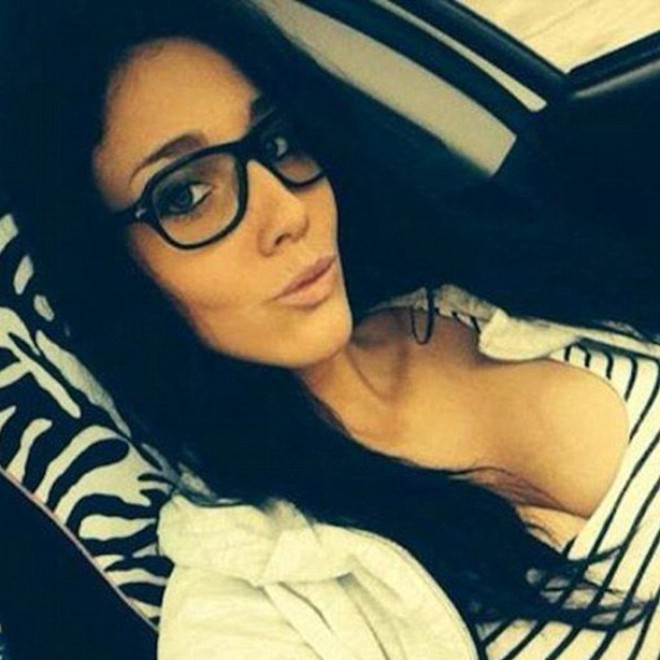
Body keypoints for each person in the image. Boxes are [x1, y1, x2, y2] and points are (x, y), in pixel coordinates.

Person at [0, 0, 657, 658]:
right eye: (187, 195)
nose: (289, 211)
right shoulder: (250, 606)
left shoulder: (478, 288)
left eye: (275, 143)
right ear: (113, 270)